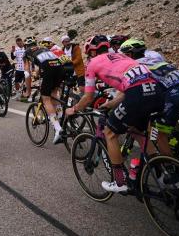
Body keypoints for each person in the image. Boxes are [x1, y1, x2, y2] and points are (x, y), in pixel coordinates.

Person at [65, 35, 166, 193]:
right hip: (157, 91)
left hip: (137, 94)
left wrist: (74, 109)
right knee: (138, 132)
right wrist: (112, 103)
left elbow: (88, 97)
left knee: (110, 133)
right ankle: (163, 175)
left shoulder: (92, 64)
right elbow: (129, 84)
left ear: (91, 52)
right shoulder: (122, 56)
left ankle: (120, 181)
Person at [24, 39, 66, 143]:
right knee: (54, 93)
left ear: (26, 47)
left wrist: (28, 91)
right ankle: (60, 117)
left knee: (45, 98)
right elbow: (44, 62)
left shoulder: (26, 53)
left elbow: (27, 74)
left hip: (49, 69)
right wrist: (38, 73)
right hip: (60, 67)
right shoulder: (42, 48)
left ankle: (58, 128)